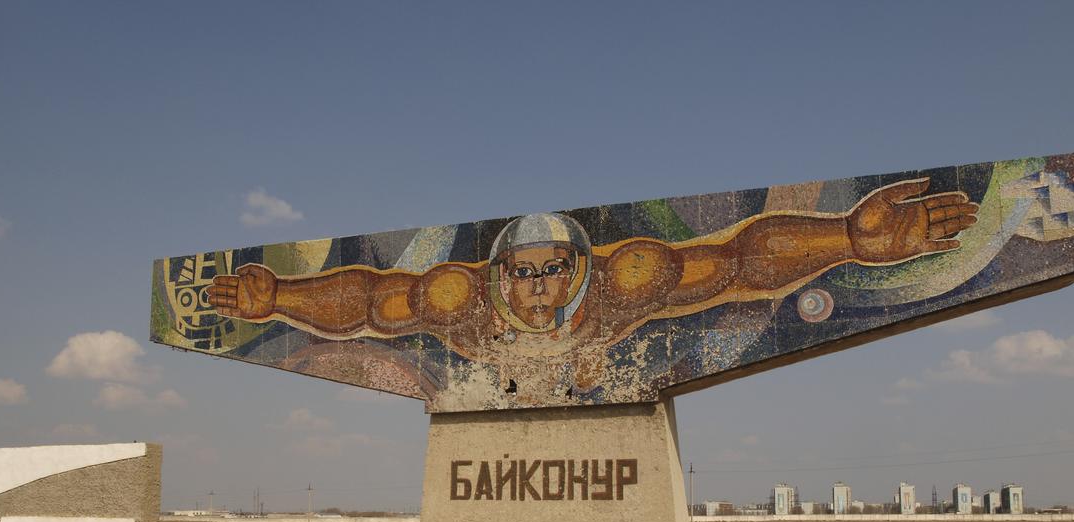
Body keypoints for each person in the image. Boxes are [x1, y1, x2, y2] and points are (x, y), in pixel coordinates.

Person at [209, 178, 976, 393]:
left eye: (552, 272)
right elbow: (373, 303)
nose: (536, 288)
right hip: (486, 378)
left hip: (595, 369)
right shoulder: (458, 297)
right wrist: (277, 298)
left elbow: (742, 261)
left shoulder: (629, 279)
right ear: (497, 272)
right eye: (522, 273)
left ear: (580, 271)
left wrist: (848, 238)